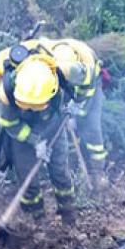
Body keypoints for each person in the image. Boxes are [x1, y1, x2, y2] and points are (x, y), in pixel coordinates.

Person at [0, 48, 76, 224]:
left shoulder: (57, 83)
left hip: (53, 126)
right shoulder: (6, 95)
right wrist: (36, 141)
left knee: (60, 171)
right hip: (21, 133)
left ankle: (68, 214)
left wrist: (69, 111)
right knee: (27, 178)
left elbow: (75, 95)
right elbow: (10, 124)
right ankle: (37, 219)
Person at [49, 39, 108, 187]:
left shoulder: (88, 71)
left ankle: (97, 172)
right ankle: (71, 167)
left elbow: (85, 97)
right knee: (61, 129)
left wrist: (75, 114)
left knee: (91, 127)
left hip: (90, 92)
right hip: (63, 87)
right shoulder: (52, 61)